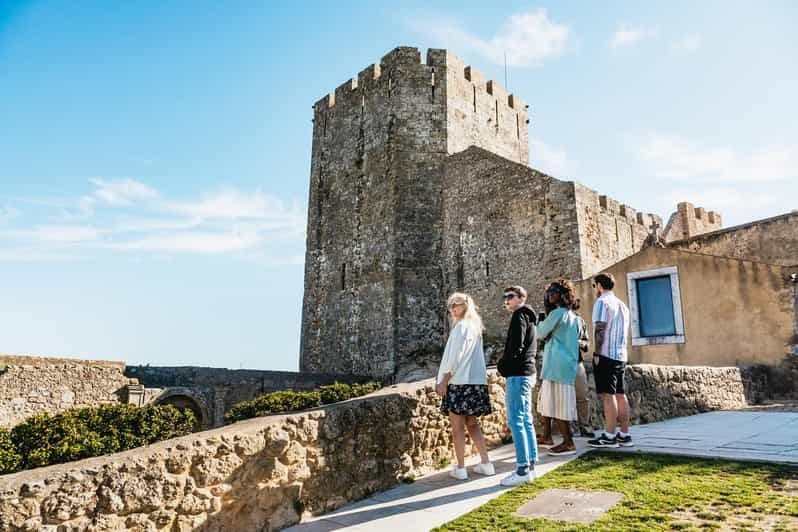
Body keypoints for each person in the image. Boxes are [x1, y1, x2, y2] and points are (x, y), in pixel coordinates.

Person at [436, 292, 495, 480]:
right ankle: (486, 464)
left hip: (459, 383)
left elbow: (455, 357)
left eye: (457, 304)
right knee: (472, 424)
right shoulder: (475, 327)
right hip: (475, 383)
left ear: (466, 305)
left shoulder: (461, 327)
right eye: (451, 304)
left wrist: (444, 380)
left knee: (457, 427)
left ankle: (460, 468)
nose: (453, 307)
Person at [497, 285, 538, 486]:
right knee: (526, 420)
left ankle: (522, 470)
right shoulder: (529, 317)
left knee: (516, 421)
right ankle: (530, 465)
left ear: (522, 297)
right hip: (528, 373)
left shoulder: (520, 316)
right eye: (504, 297)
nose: (506, 300)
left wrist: (502, 365)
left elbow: (516, 346)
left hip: (518, 374)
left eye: (510, 297)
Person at [587, 272, 635, 448]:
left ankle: (609, 435)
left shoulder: (602, 302)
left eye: (594, 286)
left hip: (606, 355)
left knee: (608, 396)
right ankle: (624, 434)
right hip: (621, 355)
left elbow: (600, 328)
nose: (595, 290)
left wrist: (597, 353)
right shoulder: (622, 305)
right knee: (621, 395)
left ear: (599, 285)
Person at [536, 280, 581, 456]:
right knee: (549, 402)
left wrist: (540, 321)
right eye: (549, 292)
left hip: (557, 364)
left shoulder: (558, 314)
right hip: (563, 364)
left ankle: (568, 442)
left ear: (562, 294)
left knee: (560, 404)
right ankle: (549, 436)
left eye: (553, 292)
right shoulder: (571, 315)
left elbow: (540, 333)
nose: (549, 295)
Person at [572, 298, 594, 438]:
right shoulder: (557, 318)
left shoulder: (580, 320)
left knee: (582, 397)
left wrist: (582, 343)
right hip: (562, 362)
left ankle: (585, 427)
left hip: (577, 362)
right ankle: (570, 429)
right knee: (565, 397)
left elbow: (587, 342)